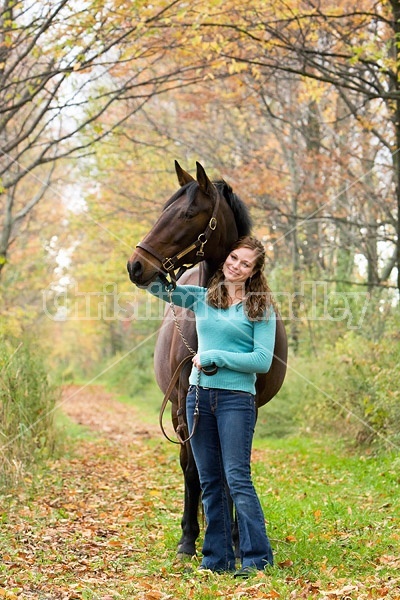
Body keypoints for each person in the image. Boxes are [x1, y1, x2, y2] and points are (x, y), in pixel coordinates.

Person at [147, 236, 276, 577]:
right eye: (234, 257)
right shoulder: (203, 298)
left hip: (236, 401)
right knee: (210, 481)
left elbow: (262, 361)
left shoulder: (260, 308)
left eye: (245, 263)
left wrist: (216, 356)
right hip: (198, 398)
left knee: (237, 478)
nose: (236, 265)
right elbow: (156, 288)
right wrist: (162, 258)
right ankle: (216, 559)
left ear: (254, 272)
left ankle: (257, 559)